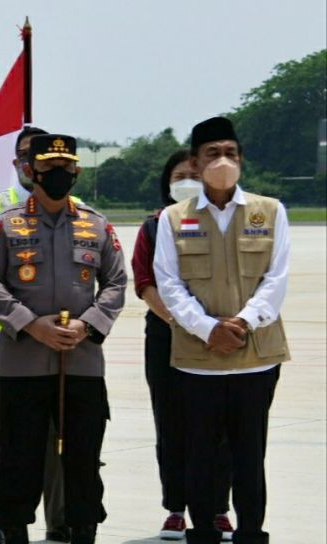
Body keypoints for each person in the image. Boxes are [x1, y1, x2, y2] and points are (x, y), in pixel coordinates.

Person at [0, 134, 126, 544]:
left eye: (66, 167)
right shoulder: (4, 224)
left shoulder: (95, 224)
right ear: (31, 171)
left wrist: (88, 324)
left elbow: (115, 282)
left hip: (81, 359)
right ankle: (13, 530)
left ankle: (81, 528)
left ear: (76, 171)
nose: (59, 174)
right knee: (18, 455)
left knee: (82, 456)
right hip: (22, 360)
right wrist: (29, 323)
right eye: (49, 168)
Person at [155, 116, 290, 544]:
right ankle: (204, 533)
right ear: (194, 163)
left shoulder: (269, 211)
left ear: (242, 160)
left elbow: (277, 277)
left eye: (230, 152)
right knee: (199, 455)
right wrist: (207, 329)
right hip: (198, 361)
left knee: (250, 455)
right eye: (212, 153)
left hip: (256, 357)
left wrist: (244, 321)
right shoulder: (173, 218)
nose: (223, 161)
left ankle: (251, 532)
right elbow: (169, 283)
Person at [0, 126, 68, 544]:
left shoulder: (75, 207)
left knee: (60, 430)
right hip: (4, 336)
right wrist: (29, 322)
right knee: (4, 432)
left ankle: (62, 519)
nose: (37, 163)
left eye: (46, 157)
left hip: (61, 338)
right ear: (17, 162)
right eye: (29, 155)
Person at [131, 148, 234, 540]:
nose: (186, 181)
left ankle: (218, 508)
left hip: (220, 338)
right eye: (178, 176)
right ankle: (176, 508)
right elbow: (144, 283)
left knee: (221, 427)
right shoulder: (154, 226)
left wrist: (214, 327)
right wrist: (181, 321)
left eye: (194, 173)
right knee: (172, 424)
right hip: (167, 336)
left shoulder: (227, 222)